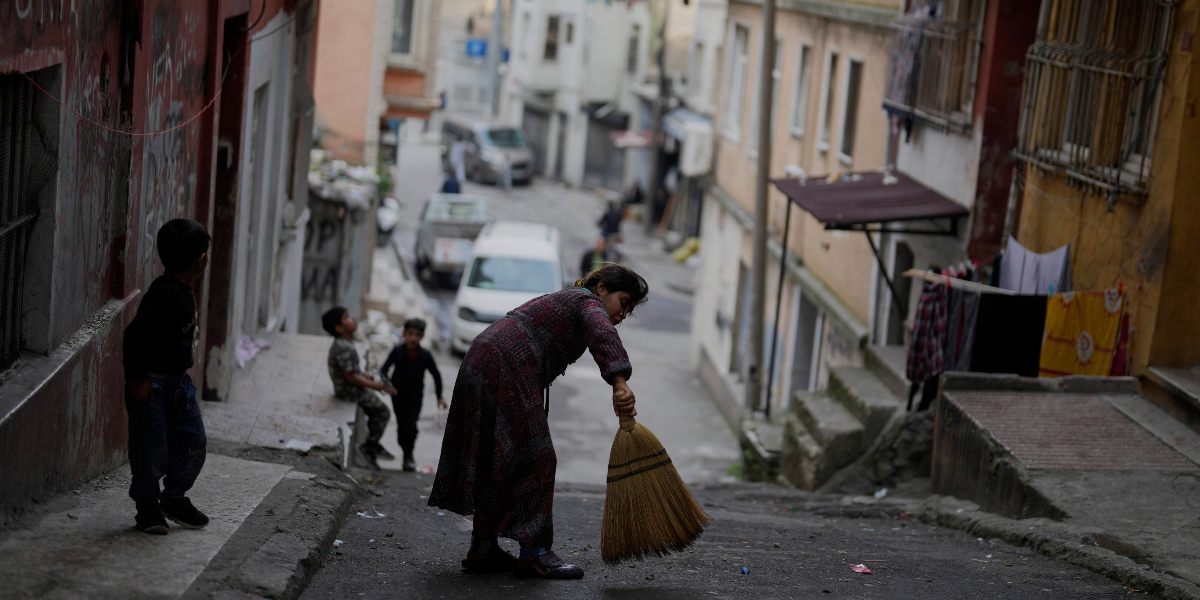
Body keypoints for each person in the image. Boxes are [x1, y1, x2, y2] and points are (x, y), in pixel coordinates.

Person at [429, 264, 648, 579]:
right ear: (601, 288)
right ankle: (534, 553)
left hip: (482, 357)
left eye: (630, 309)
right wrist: (619, 381)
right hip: (506, 364)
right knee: (539, 458)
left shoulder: (571, 299)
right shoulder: (587, 301)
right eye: (624, 302)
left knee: (494, 455)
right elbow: (602, 331)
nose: (624, 314)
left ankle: (483, 548)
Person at [123, 218, 212, 535]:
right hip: (151, 387)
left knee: (194, 443)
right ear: (200, 260)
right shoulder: (165, 295)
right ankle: (147, 508)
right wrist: (138, 379)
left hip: (178, 385)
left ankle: (173, 498)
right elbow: (135, 336)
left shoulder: (182, 291)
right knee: (151, 451)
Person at [323, 306, 397, 469]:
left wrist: (363, 374)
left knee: (377, 410)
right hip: (348, 391)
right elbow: (350, 377)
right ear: (339, 328)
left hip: (350, 386)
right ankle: (368, 447)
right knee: (383, 412)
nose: (353, 318)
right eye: (347, 317)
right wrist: (375, 386)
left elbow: (352, 369)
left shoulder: (346, 343)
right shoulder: (344, 347)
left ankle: (372, 443)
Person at [380, 318, 446, 471]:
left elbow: (436, 375)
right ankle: (406, 452)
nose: (413, 338)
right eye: (410, 334)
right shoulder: (397, 351)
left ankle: (408, 456)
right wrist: (388, 385)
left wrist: (439, 396)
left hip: (415, 397)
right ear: (404, 334)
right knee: (403, 426)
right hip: (398, 397)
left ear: (422, 337)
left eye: (417, 335)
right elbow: (383, 370)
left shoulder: (425, 355)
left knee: (411, 426)